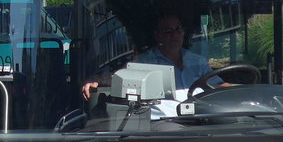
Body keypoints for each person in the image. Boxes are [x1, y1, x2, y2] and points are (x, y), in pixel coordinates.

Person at [82, 12, 223, 101]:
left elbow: (218, 86)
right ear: (157, 35)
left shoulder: (197, 61)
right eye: (168, 30)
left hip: (201, 122)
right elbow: (118, 77)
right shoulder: (146, 61)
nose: (175, 34)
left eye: (178, 29)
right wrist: (96, 82)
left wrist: (242, 90)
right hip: (161, 129)